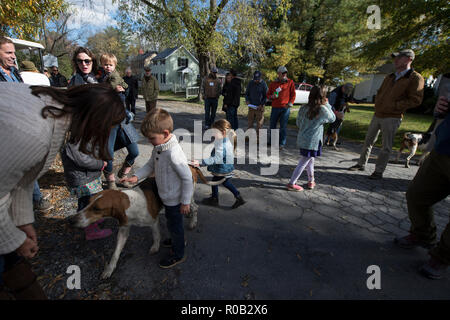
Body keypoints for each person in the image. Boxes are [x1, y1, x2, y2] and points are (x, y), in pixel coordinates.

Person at [0, 82, 126, 299]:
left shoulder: (45, 106)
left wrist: (22, 221)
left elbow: (22, 178)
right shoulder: (34, 133)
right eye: (108, 128)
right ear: (95, 122)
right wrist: (15, 240)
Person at [120, 108, 193, 269]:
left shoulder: (173, 153)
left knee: (174, 224)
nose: (150, 142)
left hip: (175, 199)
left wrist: (186, 202)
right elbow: (150, 164)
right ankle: (177, 239)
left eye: (152, 138)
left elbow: (187, 178)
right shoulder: (160, 147)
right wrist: (137, 176)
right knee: (171, 222)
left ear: (166, 134)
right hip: (166, 196)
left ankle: (178, 253)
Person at [394, 92, 450, 279]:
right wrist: (440, 110)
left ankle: (442, 256)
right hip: (444, 149)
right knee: (417, 195)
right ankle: (424, 235)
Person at [348, 49, 424, 179]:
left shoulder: (415, 78)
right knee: (368, 141)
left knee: (386, 146)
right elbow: (380, 92)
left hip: (392, 117)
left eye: (399, 58)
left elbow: (415, 100)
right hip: (378, 114)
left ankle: (378, 171)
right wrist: (378, 104)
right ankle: (361, 164)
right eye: (395, 58)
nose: (395, 60)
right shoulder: (390, 76)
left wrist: (395, 106)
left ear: (408, 59)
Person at [0, 37, 52, 214]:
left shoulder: (14, 72)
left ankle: (34, 199)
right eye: (8, 52)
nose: (13, 56)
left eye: (14, 52)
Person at [98, 53, 140, 190]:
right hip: (109, 122)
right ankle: (110, 181)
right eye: (105, 64)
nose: (108, 67)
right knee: (108, 154)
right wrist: (113, 90)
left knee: (134, 151)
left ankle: (123, 176)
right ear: (102, 65)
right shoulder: (100, 79)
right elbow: (101, 94)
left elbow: (126, 92)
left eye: (110, 65)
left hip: (122, 120)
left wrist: (123, 91)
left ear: (115, 66)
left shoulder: (117, 77)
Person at [287, 86, 336, 191]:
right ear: (323, 96)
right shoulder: (322, 109)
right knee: (304, 161)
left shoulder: (303, 108)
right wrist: (327, 104)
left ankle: (311, 180)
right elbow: (332, 118)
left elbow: (298, 123)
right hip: (313, 141)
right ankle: (292, 183)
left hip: (303, 138)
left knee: (310, 160)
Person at [61, 142, 113, 240]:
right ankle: (91, 230)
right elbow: (83, 160)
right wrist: (100, 163)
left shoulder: (79, 137)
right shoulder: (73, 142)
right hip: (83, 179)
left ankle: (86, 221)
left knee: (88, 201)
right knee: (87, 204)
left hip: (87, 176)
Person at [192, 119, 246, 209]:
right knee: (224, 182)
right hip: (226, 167)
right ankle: (236, 197)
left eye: (214, 132)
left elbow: (216, 159)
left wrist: (201, 162)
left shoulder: (223, 144)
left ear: (223, 132)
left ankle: (216, 198)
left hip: (222, 169)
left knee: (216, 182)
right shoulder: (226, 140)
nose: (213, 134)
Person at [266, 66, 296, 149]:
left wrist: (290, 103)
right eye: (282, 73)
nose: (284, 74)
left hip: (285, 108)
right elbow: (268, 94)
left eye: (285, 73)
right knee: (272, 125)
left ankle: (281, 143)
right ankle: (272, 141)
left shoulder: (290, 82)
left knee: (283, 126)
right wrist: (271, 96)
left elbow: (293, 94)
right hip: (275, 107)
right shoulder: (273, 83)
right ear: (278, 73)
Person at [324, 83, 354, 147]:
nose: (346, 93)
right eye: (346, 91)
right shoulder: (335, 93)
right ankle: (326, 140)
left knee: (338, 126)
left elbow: (346, 101)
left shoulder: (345, 93)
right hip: (333, 112)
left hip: (340, 112)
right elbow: (329, 105)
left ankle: (333, 140)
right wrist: (336, 113)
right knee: (331, 127)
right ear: (343, 88)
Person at [245, 70, 268, 143]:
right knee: (250, 123)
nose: (256, 81)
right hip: (251, 106)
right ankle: (248, 137)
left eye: (257, 79)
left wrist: (261, 104)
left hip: (260, 107)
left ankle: (258, 139)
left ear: (260, 78)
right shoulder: (251, 83)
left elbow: (266, 96)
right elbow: (247, 93)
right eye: (255, 79)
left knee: (259, 124)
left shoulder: (264, 84)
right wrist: (247, 100)